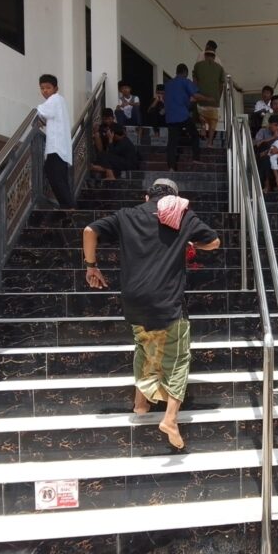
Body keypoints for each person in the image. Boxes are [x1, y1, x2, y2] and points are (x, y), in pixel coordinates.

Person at [82, 181, 221, 449]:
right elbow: (214, 241)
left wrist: (91, 266)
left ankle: (141, 403)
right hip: (167, 301)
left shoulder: (126, 215)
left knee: (144, 346)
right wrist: (189, 243)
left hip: (134, 301)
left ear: (147, 196)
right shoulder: (181, 214)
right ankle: (170, 419)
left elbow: (89, 230)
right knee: (179, 358)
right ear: (174, 197)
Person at [36, 74, 74, 208]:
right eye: (42, 88)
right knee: (58, 176)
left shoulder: (55, 99)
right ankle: (68, 206)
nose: (45, 91)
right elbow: (49, 116)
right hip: (59, 147)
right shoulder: (58, 101)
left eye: (48, 87)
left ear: (55, 88)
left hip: (57, 147)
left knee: (55, 175)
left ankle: (69, 206)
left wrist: (36, 115)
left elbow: (41, 111)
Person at [164, 63, 212, 171]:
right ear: (185, 72)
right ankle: (195, 158)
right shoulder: (185, 81)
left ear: (176, 72)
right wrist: (208, 99)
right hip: (182, 115)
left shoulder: (168, 84)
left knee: (172, 143)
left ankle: (171, 167)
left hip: (170, 117)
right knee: (194, 135)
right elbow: (195, 95)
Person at [193, 47, 225, 147]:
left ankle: (202, 125)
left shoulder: (197, 65)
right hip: (214, 100)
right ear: (214, 57)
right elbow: (221, 85)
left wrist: (196, 94)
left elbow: (195, 82)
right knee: (213, 122)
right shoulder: (220, 68)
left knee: (199, 113)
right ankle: (210, 142)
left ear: (205, 56)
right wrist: (218, 97)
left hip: (201, 98)